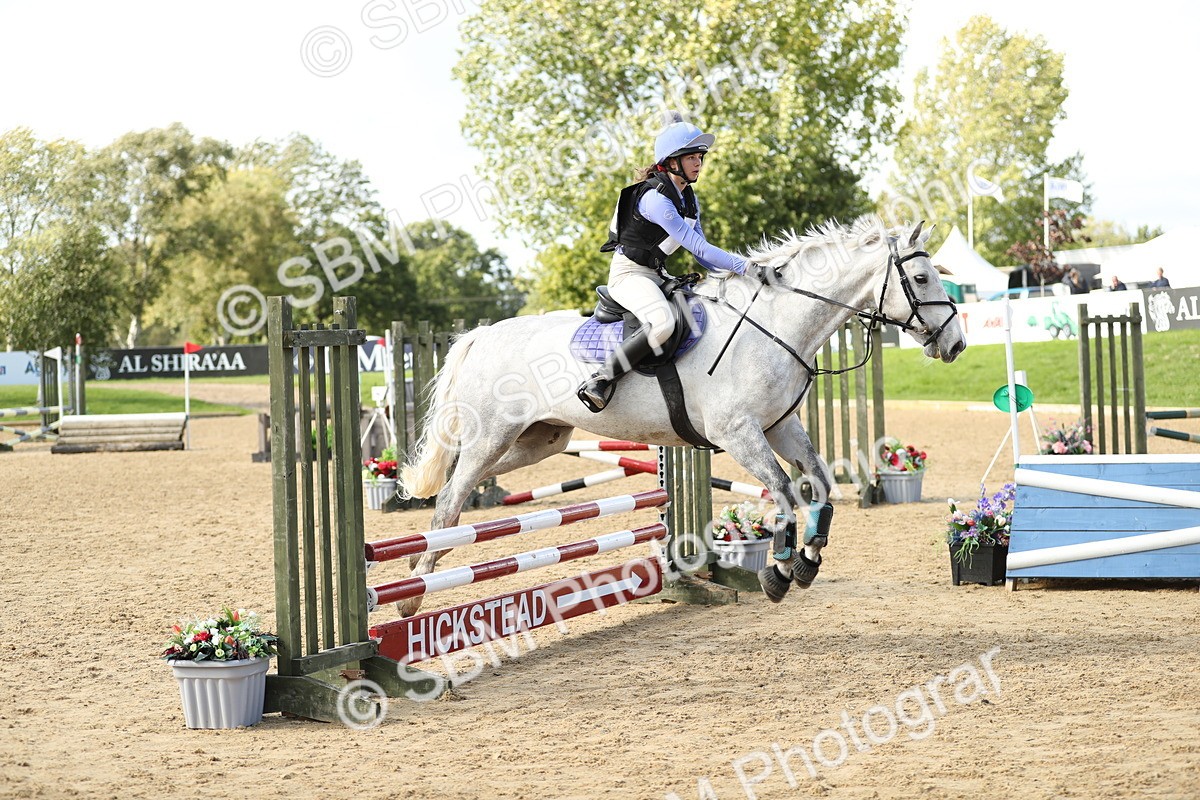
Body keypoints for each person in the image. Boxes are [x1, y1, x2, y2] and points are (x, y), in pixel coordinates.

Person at [576, 114, 748, 413]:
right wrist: (747, 266)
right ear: (671, 162)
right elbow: (698, 246)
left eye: (700, 157)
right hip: (628, 276)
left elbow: (701, 256)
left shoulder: (689, 199)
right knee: (663, 322)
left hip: (657, 275)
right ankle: (600, 379)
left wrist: (737, 278)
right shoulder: (654, 199)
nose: (698, 163)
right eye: (691, 157)